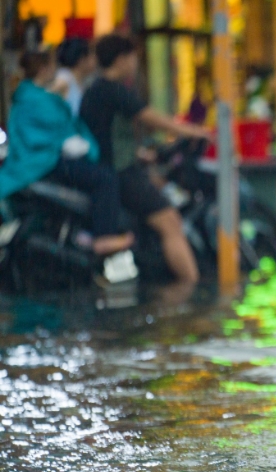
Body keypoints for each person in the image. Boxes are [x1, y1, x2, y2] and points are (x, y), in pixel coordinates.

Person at [80, 34, 210, 284]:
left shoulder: (94, 90)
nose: (135, 64)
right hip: (121, 172)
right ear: (121, 59)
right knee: (170, 221)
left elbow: (105, 136)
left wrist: (141, 154)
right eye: (132, 58)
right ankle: (187, 286)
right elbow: (151, 118)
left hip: (114, 167)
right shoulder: (114, 90)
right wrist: (193, 131)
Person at [0, 49, 133, 256]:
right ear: (44, 68)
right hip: (44, 160)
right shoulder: (38, 98)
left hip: (39, 159)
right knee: (105, 178)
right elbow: (55, 131)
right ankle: (104, 237)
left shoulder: (29, 95)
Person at [53, 38, 94, 115]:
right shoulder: (64, 77)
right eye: (91, 56)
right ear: (82, 59)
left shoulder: (82, 80)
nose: (94, 60)